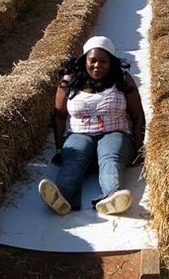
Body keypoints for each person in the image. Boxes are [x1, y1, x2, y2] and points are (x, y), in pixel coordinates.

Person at [38, 36, 146, 216]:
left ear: (111, 62)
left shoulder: (123, 80)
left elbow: (137, 116)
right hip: (79, 133)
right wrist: (59, 150)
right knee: (74, 158)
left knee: (110, 157)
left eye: (103, 61)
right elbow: (59, 116)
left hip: (115, 132)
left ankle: (111, 196)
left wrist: (138, 149)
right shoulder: (69, 80)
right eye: (92, 61)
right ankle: (61, 196)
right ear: (84, 60)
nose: (97, 66)